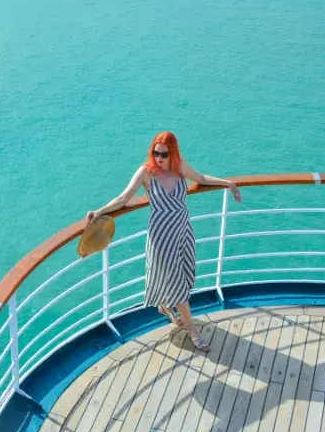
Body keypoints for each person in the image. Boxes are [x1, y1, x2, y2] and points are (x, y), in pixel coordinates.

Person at [86, 131, 242, 351]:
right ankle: (192, 330)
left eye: (164, 154)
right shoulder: (146, 173)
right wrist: (100, 211)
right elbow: (123, 199)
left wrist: (229, 183)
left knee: (183, 275)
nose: (158, 158)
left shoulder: (179, 168)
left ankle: (164, 306)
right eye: (155, 153)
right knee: (177, 285)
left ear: (173, 153)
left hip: (182, 233)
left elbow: (202, 179)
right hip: (161, 239)